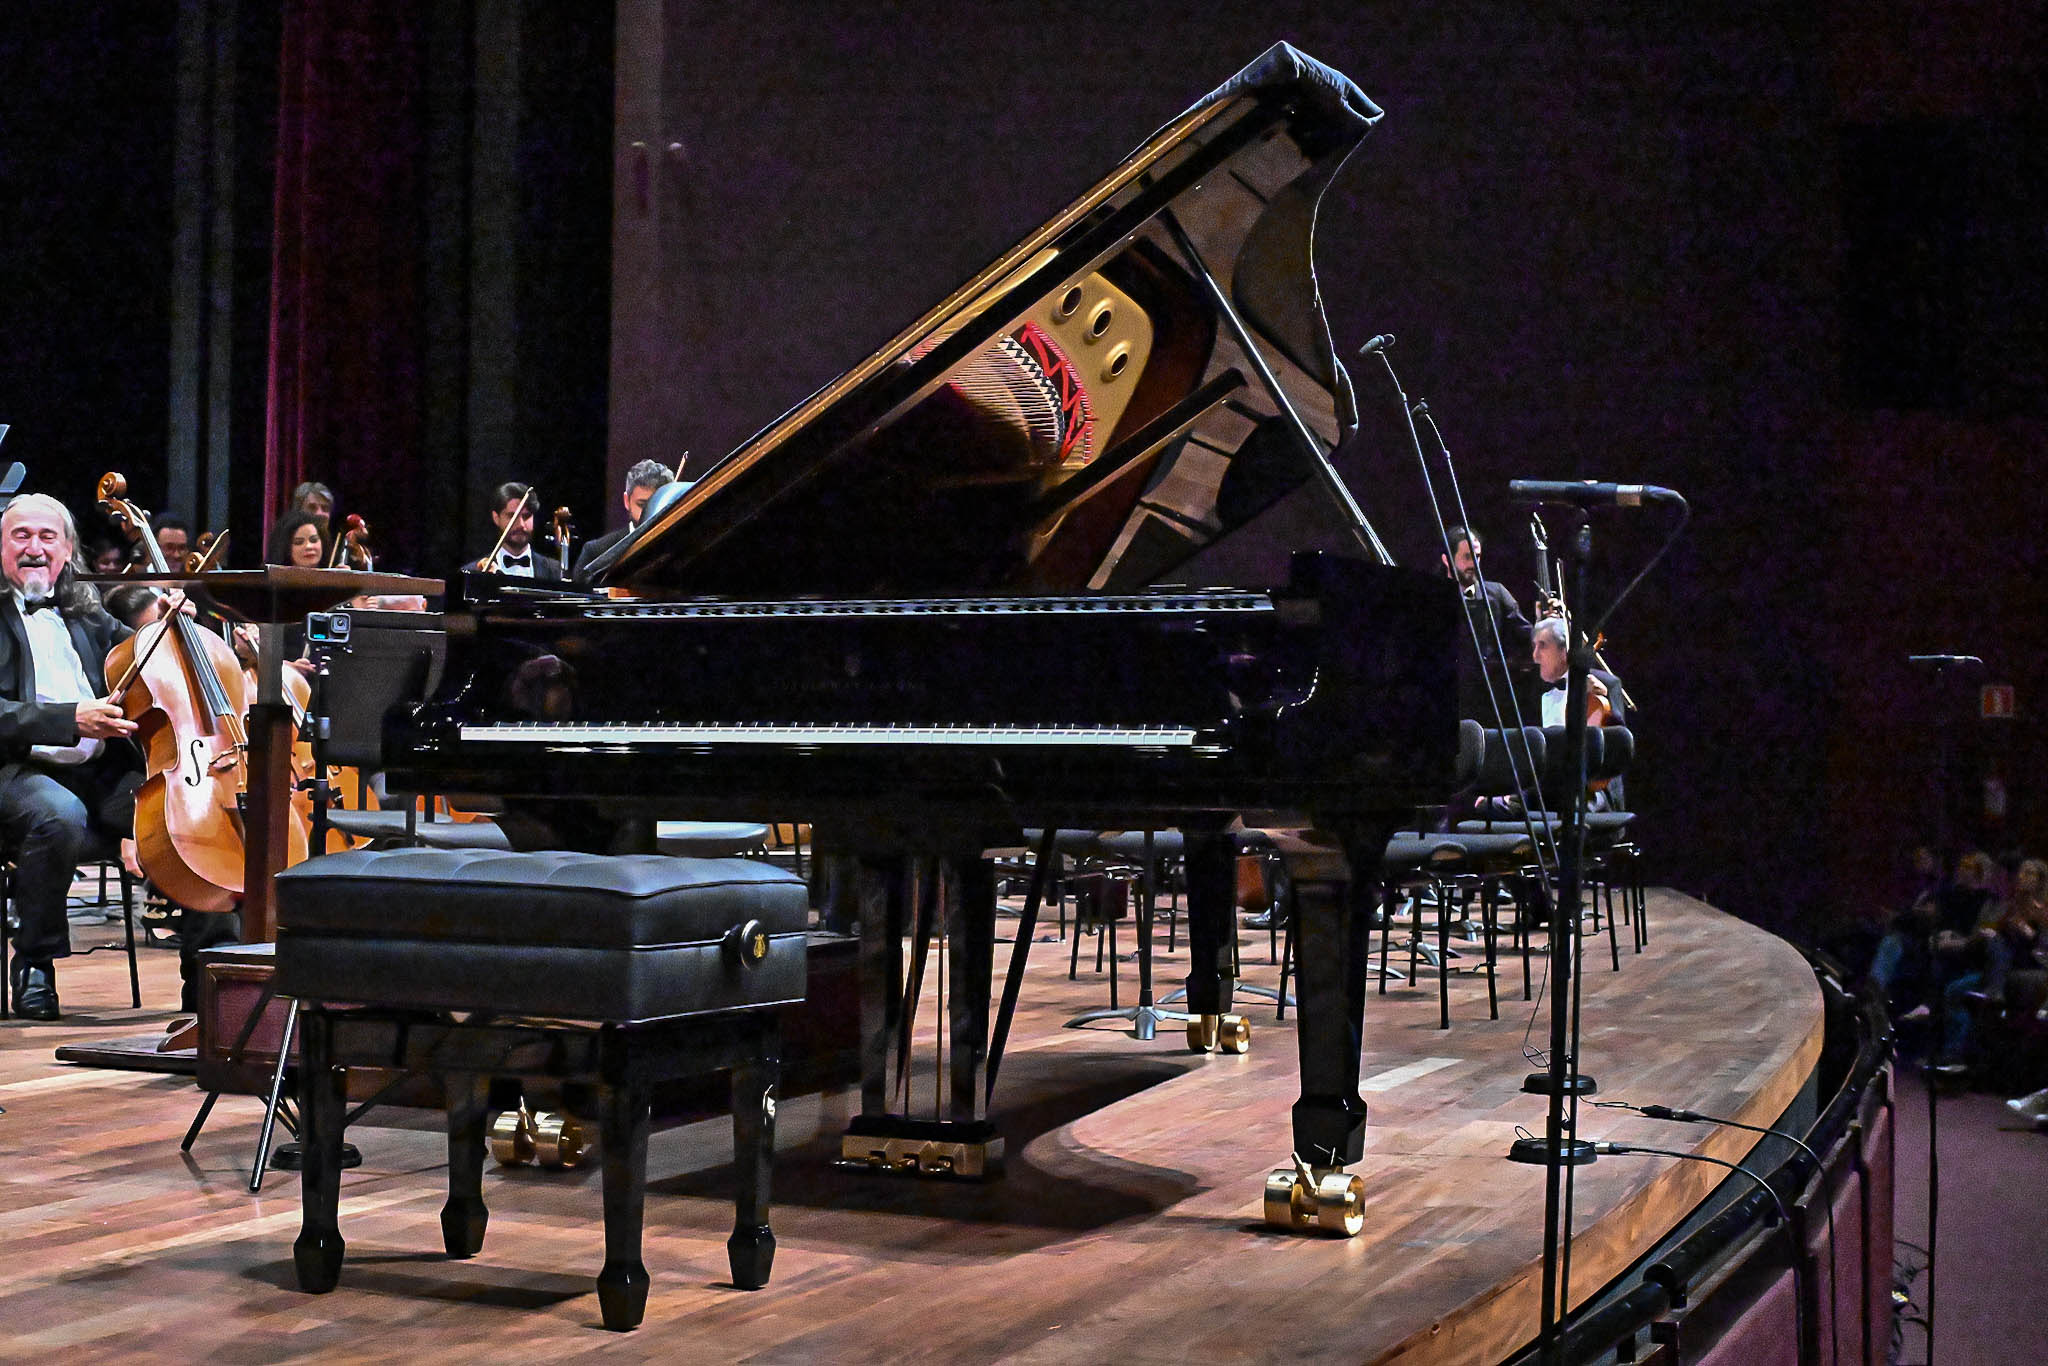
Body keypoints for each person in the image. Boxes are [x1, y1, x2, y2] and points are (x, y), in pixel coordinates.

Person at [0, 493, 143, 1020]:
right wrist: (68, 719)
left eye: (47, 537)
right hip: (15, 770)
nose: (34, 548)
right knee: (58, 814)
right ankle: (35, 963)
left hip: (99, 771)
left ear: (66, 551)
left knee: (186, 808)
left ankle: (208, 973)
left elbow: (147, 657)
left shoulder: (89, 616)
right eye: (21, 535)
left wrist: (177, 629)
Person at [1443, 525, 1532, 718]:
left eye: (1477, 556)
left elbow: (1528, 635)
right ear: (1446, 560)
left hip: (1491, 703)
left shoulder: (1496, 593)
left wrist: (1547, 625)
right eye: (1467, 557)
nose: (1474, 563)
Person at [572, 460, 675, 580]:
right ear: (627, 501)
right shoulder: (595, 552)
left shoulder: (682, 548)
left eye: (657, 503)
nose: (650, 513)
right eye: (642, 505)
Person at [471, 482, 562, 581]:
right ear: (496, 518)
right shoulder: (475, 572)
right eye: (511, 516)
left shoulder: (555, 571)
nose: (521, 525)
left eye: (526, 516)